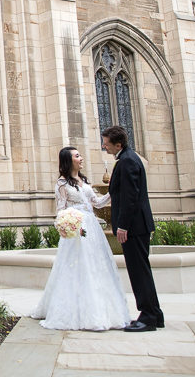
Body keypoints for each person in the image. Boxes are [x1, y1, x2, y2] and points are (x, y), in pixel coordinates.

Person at [30, 146, 130, 331]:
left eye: (80, 155)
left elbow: (97, 203)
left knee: (96, 265)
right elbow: (60, 210)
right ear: (69, 161)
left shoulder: (83, 180)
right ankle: (72, 310)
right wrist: (65, 226)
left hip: (91, 227)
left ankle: (101, 309)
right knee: (77, 267)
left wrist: (113, 191)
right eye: (77, 156)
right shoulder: (61, 184)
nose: (81, 158)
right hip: (77, 230)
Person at [101, 125, 164, 332]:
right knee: (141, 270)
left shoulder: (127, 161)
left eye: (106, 143)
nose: (104, 146)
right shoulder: (128, 158)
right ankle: (155, 313)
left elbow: (130, 198)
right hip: (138, 225)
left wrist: (123, 226)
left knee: (138, 272)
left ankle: (148, 317)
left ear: (118, 144)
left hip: (134, 226)